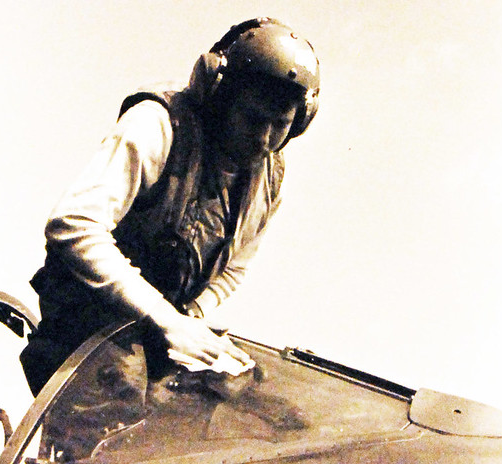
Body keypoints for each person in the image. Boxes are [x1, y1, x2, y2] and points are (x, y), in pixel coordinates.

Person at [20, 16, 320, 398]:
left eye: (280, 124)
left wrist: (188, 320)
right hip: (82, 340)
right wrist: (166, 320)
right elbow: (74, 224)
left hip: (152, 343)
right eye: (252, 117)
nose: (264, 138)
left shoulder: (268, 177)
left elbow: (234, 268)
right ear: (220, 98)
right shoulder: (159, 124)